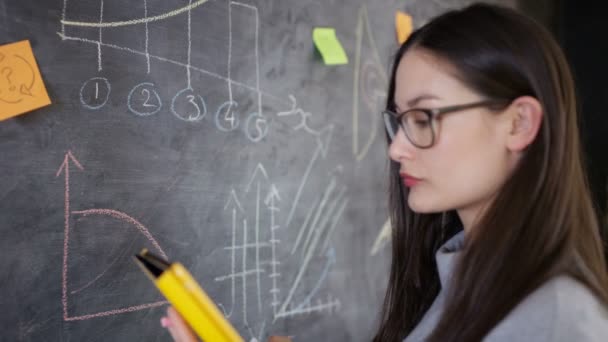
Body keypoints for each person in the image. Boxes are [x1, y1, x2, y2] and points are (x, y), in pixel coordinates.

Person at [160, 3, 608, 341]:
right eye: (399, 120)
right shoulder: (461, 280)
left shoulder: (556, 320)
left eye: (424, 118)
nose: (396, 149)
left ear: (518, 123)